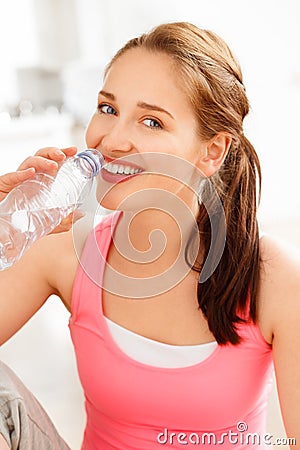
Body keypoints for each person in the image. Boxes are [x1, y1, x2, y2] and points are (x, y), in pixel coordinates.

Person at [0, 21, 299, 450]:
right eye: (108, 109)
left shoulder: (275, 279)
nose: (113, 139)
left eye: (152, 122)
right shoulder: (63, 247)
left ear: (212, 150)